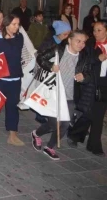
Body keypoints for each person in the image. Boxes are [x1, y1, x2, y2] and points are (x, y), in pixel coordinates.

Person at [31, 30, 89, 160]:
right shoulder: (59, 50)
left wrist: (84, 76)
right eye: (78, 41)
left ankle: (50, 147)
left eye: (84, 42)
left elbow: (88, 72)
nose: (81, 44)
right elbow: (40, 58)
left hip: (69, 96)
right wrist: (51, 66)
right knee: (53, 124)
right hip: (53, 94)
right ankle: (36, 133)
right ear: (69, 40)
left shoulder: (84, 56)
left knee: (65, 124)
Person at [0, 14, 24, 146]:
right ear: (6, 25)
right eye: (14, 24)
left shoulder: (19, 38)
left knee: (13, 106)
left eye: (18, 24)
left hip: (15, 78)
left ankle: (12, 134)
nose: (17, 27)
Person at [72, 21, 107, 156]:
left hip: (104, 83)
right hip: (91, 82)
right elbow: (85, 61)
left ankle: (94, 145)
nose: (95, 33)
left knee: (98, 115)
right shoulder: (90, 45)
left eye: (99, 30)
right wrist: (98, 58)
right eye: (94, 30)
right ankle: (75, 135)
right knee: (87, 113)